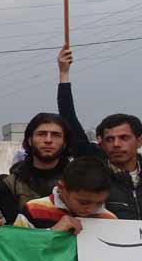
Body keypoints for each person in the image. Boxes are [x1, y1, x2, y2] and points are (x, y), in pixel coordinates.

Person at [57, 46, 142, 220]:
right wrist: (63, 73)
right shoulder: (93, 166)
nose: (116, 144)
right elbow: (69, 119)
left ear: (139, 141)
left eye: (124, 138)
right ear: (100, 142)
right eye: (110, 139)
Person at [13, 156, 116, 232]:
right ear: (62, 187)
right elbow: (15, 248)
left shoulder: (109, 219)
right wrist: (52, 232)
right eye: (84, 202)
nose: (91, 209)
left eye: (99, 203)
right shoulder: (34, 209)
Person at [2, 113, 73, 211]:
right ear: (30, 140)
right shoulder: (12, 184)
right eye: (41, 134)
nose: (48, 140)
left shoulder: (77, 180)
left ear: (65, 143)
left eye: (56, 135)